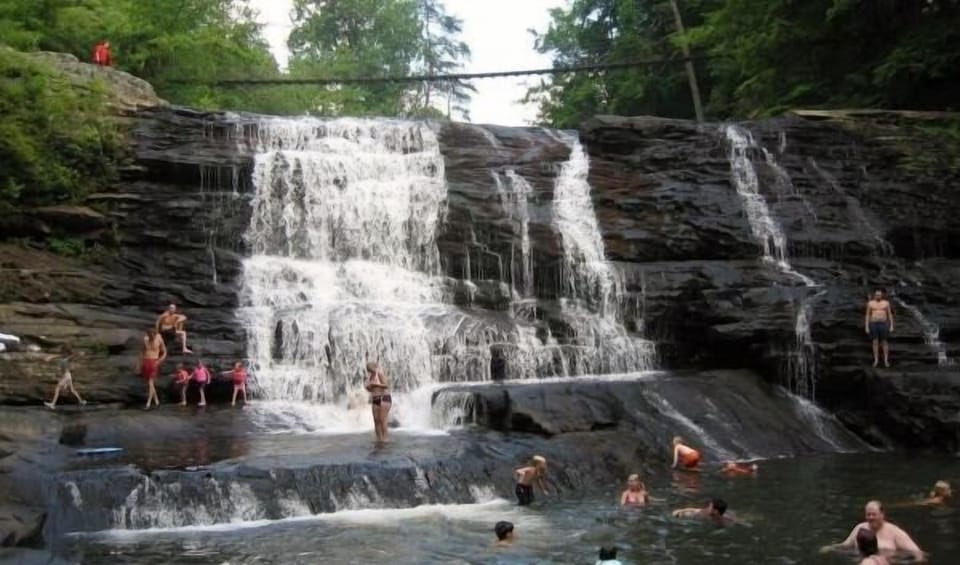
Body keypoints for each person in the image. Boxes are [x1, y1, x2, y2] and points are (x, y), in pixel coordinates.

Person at [820, 500, 925, 562]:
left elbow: (918, 553)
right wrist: (830, 548)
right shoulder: (860, 529)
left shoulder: (895, 532)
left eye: (874, 514)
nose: (871, 517)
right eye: (868, 514)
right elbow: (846, 545)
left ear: (882, 514)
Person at [864, 289, 894, 367]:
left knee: (884, 342)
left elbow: (890, 314)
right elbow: (867, 315)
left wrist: (891, 326)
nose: (878, 296)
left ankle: (886, 360)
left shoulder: (886, 303)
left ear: (882, 295)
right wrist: (866, 327)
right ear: (874, 295)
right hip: (873, 323)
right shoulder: (870, 303)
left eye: (879, 295)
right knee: (875, 342)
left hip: (883, 323)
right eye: (877, 295)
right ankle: (876, 360)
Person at [365, 361, 392, 443]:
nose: (369, 371)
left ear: (374, 367)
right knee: (376, 420)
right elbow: (371, 389)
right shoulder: (371, 376)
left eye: (369, 369)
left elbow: (386, 385)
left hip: (384, 397)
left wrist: (375, 385)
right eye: (368, 369)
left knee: (382, 420)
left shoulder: (379, 373)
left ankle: (385, 439)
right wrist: (368, 388)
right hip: (376, 398)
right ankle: (379, 439)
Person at [140, 328, 166, 410]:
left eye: (153, 335)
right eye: (150, 335)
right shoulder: (145, 339)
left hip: (154, 361)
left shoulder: (159, 338)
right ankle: (157, 401)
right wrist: (140, 363)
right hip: (146, 361)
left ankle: (148, 403)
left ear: (155, 334)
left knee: (150, 382)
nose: (151, 336)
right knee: (149, 383)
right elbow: (142, 351)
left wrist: (160, 360)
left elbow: (164, 351)